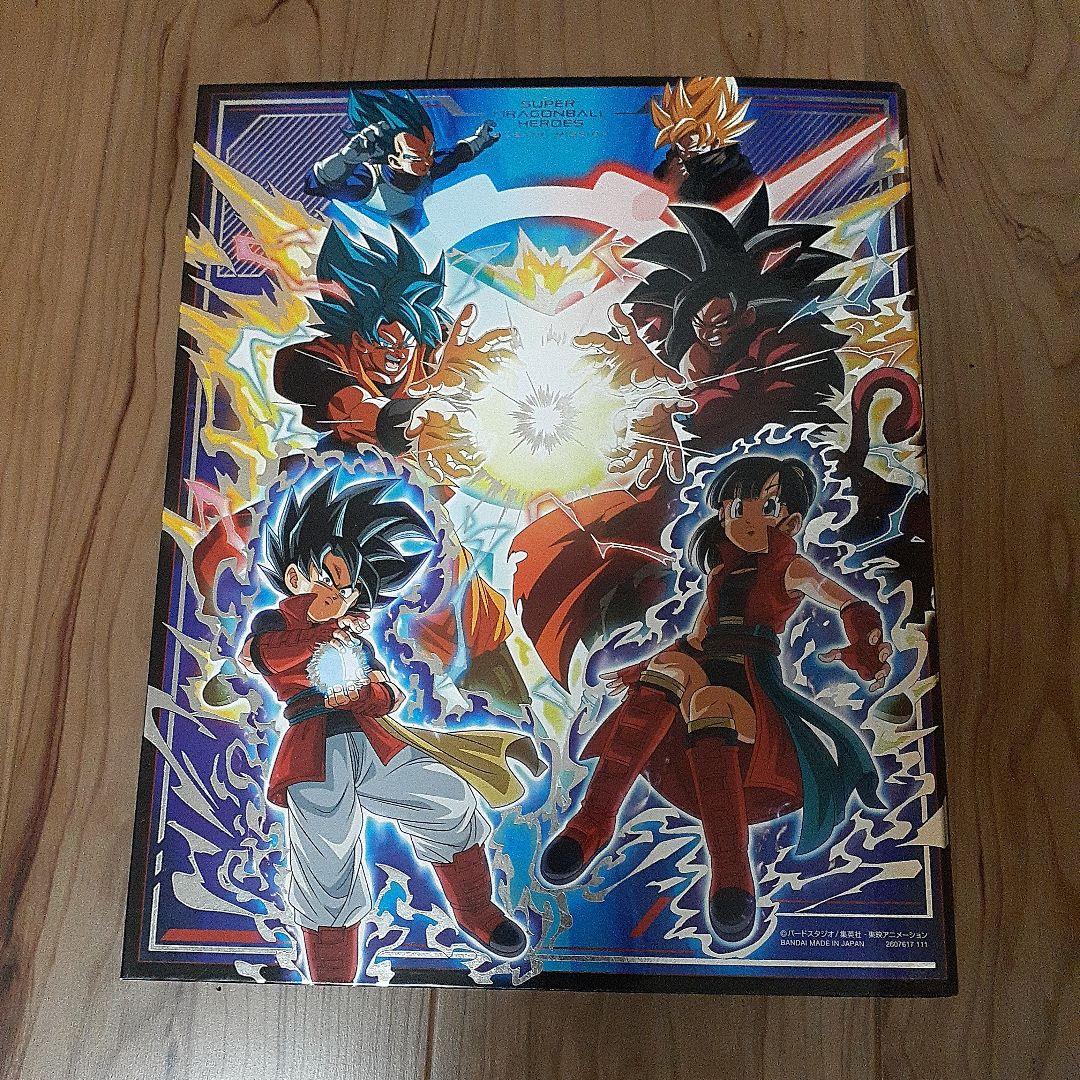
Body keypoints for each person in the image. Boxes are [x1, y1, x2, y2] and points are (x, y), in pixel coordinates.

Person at [539, 455, 891, 945]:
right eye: (734, 506)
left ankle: (730, 873)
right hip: (703, 663)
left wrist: (863, 642)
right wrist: (650, 667)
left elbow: (842, 598)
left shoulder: (789, 568)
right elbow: (699, 638)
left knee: (712, 704)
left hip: (752, 680)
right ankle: (592, 822)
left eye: (764, 506)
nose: (743, 517)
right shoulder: (722, 573)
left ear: (789, 520)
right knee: (671, 669)